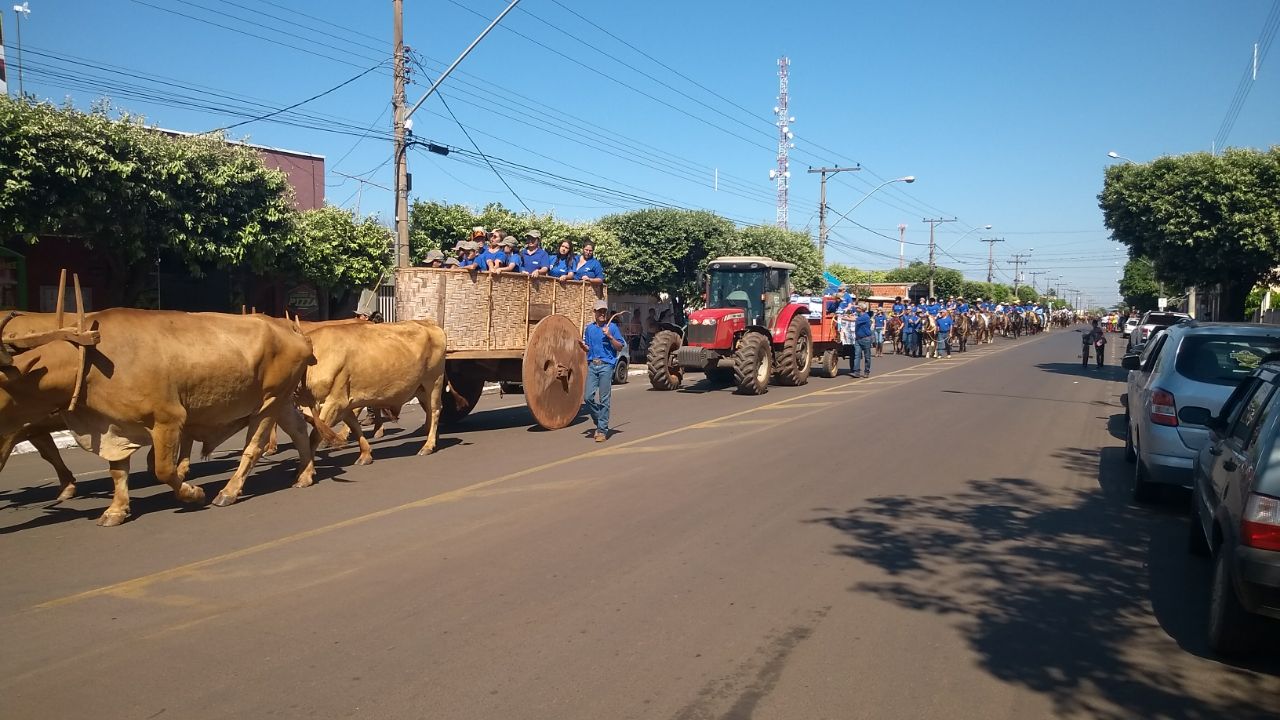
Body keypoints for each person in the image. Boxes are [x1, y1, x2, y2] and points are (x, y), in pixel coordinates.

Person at [579, 299, 624, 442]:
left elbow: (620, 347)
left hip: (606, 365)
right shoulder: (589, 329)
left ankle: (602, 430)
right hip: (593, 365)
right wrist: (584, 347)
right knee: (588, 397)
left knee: (604, 399)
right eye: (599, 311)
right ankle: (600, 421)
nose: (602, 313)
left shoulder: (613, 328)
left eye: (604, 311)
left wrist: (610, 336)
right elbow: (588, 347)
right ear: (595, 312)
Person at [852, 304, 874, 378]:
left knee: (867, 357)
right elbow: (853, 315)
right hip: (858, 339)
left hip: (866, 339)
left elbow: (853, 319)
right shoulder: (859, 315)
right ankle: (856, 372)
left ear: (861, 309)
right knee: (857, 356)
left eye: (858, 308)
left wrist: (842, 318)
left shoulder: (865, 317)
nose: (856, 308)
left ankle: (866, 371)